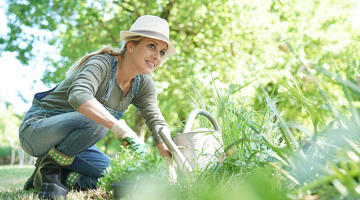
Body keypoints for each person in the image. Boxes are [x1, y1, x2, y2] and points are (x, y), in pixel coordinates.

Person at [18, 15, 175, 199]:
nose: (157, 56)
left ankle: (53, 177)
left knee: (121, 177)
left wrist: (169, 154)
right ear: (131, 46)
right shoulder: (102, 64)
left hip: (75, 144)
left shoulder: (143, 84)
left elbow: (155, 120)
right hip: (37, 130)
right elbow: (79, 96)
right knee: (99, 119)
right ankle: (49, 168)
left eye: (162, 52)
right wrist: (120, 128)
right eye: (151, 46)